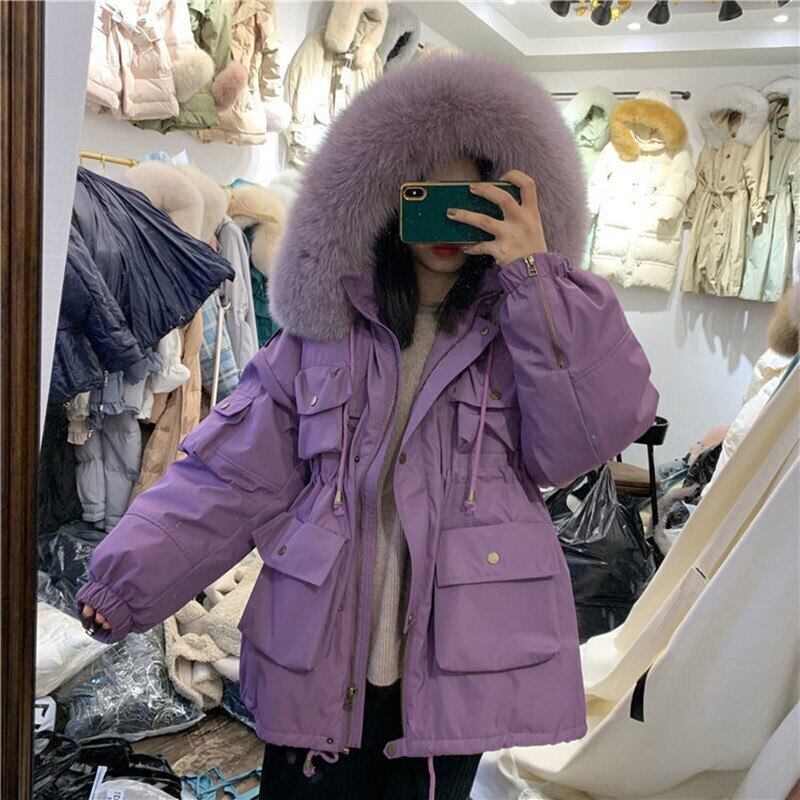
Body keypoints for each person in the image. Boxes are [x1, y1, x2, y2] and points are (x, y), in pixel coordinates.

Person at [76, 54, 659, 800]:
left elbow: (593, 433)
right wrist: (128, 578)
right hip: (322, 656)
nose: (450, 221)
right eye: (426, 195)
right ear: (382, 196)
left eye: (473, 198)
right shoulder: (322, 338)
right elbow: (230, 476)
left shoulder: (527, 330)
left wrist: (537, 278)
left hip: (456, 669)